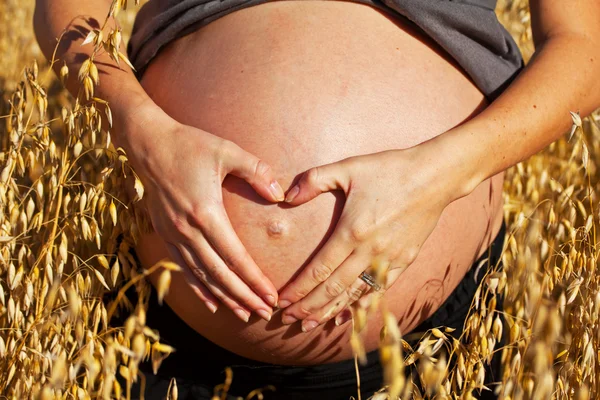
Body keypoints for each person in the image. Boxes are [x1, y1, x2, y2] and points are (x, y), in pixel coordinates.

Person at [34, 0, 600, 399]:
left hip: (432, 344)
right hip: (171, 339)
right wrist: (142, 131)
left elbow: (585, 45)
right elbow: (67, 7)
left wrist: (436, 176)